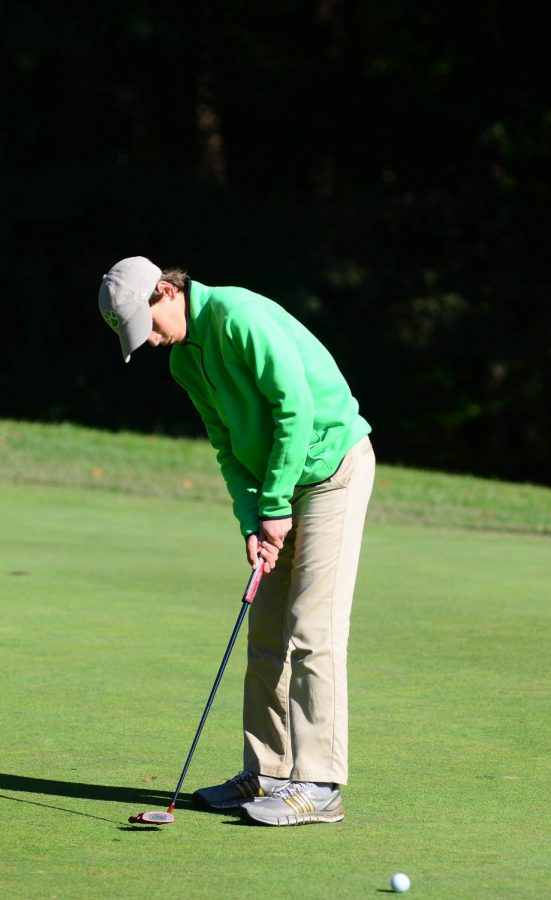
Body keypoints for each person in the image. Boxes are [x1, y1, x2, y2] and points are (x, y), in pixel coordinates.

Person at [98, 256, 375, 826]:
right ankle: (268, 772)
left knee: (312, 630)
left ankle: (319, 785)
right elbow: (227, 445)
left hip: (330, 471)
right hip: (277, 484)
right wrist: (252, 519)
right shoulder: (183, 362)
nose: (149, 341)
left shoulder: (238, 316)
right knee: (267, 633)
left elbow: (294, 409)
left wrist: (275, 505)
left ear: (167, 292)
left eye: (147, 326)